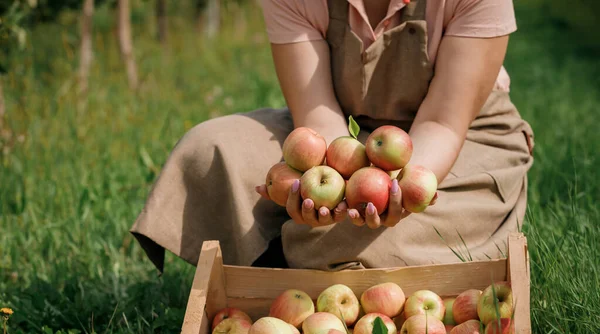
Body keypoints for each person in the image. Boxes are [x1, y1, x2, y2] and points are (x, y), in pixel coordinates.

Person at [130, 0, 534, 272]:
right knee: (210, 151)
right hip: (349, 132)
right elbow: (319, 115)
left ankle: (286, 270)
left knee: (372, 240)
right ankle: (291, 271)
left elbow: (442, 124)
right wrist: (336, 187)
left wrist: (390, 192)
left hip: (460, 139)